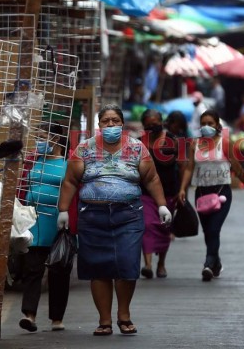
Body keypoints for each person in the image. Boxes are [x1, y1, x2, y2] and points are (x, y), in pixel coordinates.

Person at [57, 104, 172, 336]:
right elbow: (70, 181)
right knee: (98, 268)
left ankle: (124, 315)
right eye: (106, 121)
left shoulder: (137, 148)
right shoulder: (84, 149)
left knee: (127, 265)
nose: (110, 125)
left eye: (115, 121)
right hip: (92, 217)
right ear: (99, 125)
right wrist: (63, 210)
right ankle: (104, 320)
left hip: (128, 216)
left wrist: (161, 205)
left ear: (122, 124)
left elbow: (151, 178)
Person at [178, 109, 244, 282]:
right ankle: (216, 262)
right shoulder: (195, 145)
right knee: (207, 231)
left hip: (222, 192)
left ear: (218, 126)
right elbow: (189, 168)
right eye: (203, 123)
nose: (206, 127)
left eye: (210, 123)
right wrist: (183, 188)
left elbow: (236, 167)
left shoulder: (225, 143)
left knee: (214, 228)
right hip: (201, 192)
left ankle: (208, 263)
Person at [17, 123, 70, 333]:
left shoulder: (68, 163)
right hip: (33, 221)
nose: (39, 142)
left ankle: (57, 318)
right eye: (37, 137)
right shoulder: (32, 161)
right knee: (32, 268)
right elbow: (22, 186)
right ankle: (29, 315)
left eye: (42, 137)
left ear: (56, 139)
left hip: (58, 221)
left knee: (59, 269)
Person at [139, 109, 184, 279]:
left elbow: (183, 166)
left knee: (165, 227)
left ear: (162, 121)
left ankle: (161, 264)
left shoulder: (172, 141)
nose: (152, 125)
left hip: (169, 192)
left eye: (155, 122)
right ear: (143, 125)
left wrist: (182, 189)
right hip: (145, 192)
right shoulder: (138, 143)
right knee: (148, 225)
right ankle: (148, 264)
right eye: (148, 123)